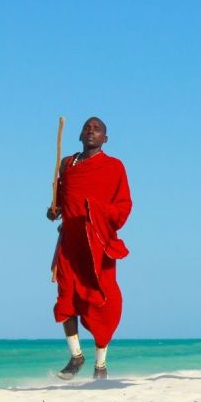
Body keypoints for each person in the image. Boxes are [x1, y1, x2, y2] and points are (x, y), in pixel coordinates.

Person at [47, 117, 131, 380]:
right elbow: (59, 200)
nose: (91, 131)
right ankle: (76, 357)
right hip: (70, 244)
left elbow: (124, 205)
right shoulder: (67, 164)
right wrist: (53, 211)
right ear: (80, 135)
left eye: (97, 129)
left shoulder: (114, 166)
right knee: (66, 298)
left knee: (102, 302)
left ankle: (101, 365)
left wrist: (96, 209)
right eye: (87, 128)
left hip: (99, 243)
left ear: (105, 139)